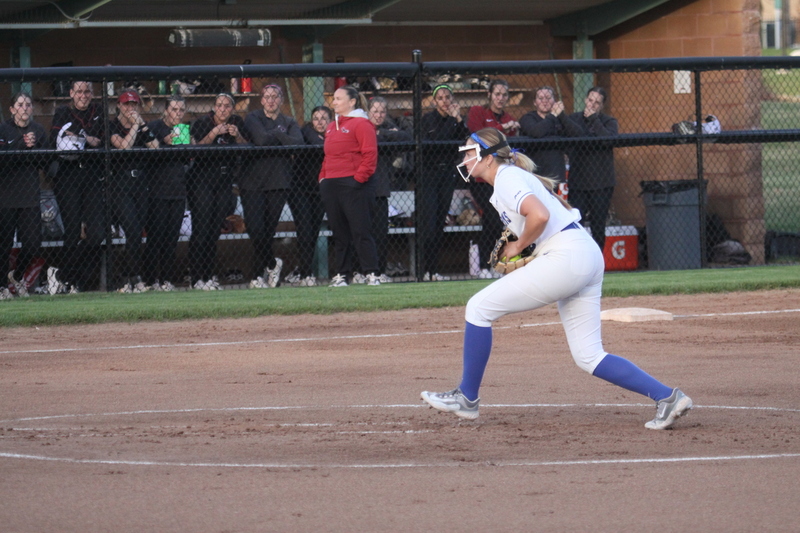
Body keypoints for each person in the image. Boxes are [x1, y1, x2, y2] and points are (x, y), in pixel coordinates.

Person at [421, 128, 693, 430]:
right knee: (588, 356)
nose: (465, 158)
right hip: (581, 253)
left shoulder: (507, 177)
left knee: (478, 308)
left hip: (567, 256)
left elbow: (540, 215)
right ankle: (667, 397)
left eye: (471, 152)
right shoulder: (509, 179)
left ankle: (466, 397)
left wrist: (519, 246)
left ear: (488, 157)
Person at [48, 80, 106, 294]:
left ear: (92, 93)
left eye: (87, 91)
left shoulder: (98, 110)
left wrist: (80, 136)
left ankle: (66, 275)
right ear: (71, 93)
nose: (83, 95)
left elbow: (102, 140)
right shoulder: (62, 111)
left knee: (97, 234)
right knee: (72, 231)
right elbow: (56, 139)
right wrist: (86, 137)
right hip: (68, 175)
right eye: (79, 91)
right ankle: (70, 281)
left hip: (91, 175)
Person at [242, 84, 303, 289]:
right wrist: (281, 137)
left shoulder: (289, 121)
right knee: (255, 229)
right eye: (267, 97)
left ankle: (256, 277)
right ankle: (272, 264)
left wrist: (275, 135)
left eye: (275, 96)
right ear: (261, 100)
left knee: (267, 231)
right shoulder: (253, 117)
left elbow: (298, 144)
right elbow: (260, 140)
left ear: (281, 99)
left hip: (279, 181)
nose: (270, 100)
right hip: (252, 182)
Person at [318, 85, 380, 287]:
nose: (334, 102)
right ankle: (342, 275)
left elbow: (370, 155)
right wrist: (323, 178)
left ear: (352, 102)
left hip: (354, 185)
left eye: (338, 98)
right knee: (339, 233)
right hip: (332, 185)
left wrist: (358, 180)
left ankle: (371, 273)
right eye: (333, 98)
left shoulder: (362, 124)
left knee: (361, 231)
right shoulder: (331, 126)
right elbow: (328, 156)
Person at [189, 92, 248, 290]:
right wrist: (214, 132)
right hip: (202, 180)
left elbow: (247, 146)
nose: (223, 109)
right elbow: (196, 148)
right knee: (202, 228)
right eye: (220, 105)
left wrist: (237, 135)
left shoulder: (237, 122)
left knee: (214, 230)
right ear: (214, 107)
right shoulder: (202, 122)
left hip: (224, 181)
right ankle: (196, 277)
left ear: (232, 109)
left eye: (227, 106)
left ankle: (208, 276)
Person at [467, 79, 518, 280]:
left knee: (499, 221)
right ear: (489, 95)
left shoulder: (509, 117)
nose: (500, 98)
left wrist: (509, 128)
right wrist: (503, 127)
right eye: (497, 94)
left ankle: (494, 264)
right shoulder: (478, 112)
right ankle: (483, 265)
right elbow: (479, 135)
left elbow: (508, 146)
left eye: (504, 95)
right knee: (490, 216)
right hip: (481, 178)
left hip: (499, 178)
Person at [109, 89, 159, 293]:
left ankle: (133, 276)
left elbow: (155, 146)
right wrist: (136, 126)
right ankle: (129, 276)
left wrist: (141, 125)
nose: (130, 108)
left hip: (140, 183)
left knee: (137, 232)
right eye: (126, 104)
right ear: (119, 106)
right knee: (131, 229)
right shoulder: (112, 125)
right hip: (121, 184)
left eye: (133, 104)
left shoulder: (142, 124)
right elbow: (124, 146)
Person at [558, 86, 618, 252]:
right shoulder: (574, 119)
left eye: (597, 103)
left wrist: (593, 119)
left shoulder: (609, 122)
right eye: (590, 100)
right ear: (585, 100)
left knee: (598, 226)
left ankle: (597, 260)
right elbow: (566, 138)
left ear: (602, 106)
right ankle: (578, 258)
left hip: (602, 183)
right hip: (579, 182)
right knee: (576, 224)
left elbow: (608, 140)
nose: (592, 105)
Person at [419, 84, 469, 281]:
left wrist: (458, 119)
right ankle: (425, 270)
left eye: (448, 97)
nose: (445, 101)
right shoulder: (428, 119)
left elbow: (466, 140)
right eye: (440, 98)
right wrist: (452, 122)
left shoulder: (457, 120)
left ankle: (434, 270)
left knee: (440, 221)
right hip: (429, 174)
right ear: (434, 101)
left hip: (447, 173)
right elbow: (438, 140)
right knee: (429, 223)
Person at [0, 92, 46, 299]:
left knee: (33, 243)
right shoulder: (3, 129)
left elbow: (45, 163)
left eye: (28, 104)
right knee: (4, 243)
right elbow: (3, 163)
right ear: (12, 109)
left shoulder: (38, 130)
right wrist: (20, 145)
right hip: (6, 196)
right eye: (20, 104)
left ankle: (16, 277)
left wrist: (34, 147)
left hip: (30, 195)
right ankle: (2, 286)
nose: (24, 108)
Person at [143, 94, 190, 291]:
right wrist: (164, 143)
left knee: (172, 238)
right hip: (156, 191)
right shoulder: (155, 127)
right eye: (174, 110)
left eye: (181, 110)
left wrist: (187, 143)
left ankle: (166, 280)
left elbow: (186, 159)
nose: (177, 114)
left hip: (178, 191)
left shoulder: (183, 129)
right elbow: (147, 157)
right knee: (156, 237)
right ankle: (150, 279)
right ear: (166, 110)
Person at [364, 96, 412, 283]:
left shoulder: (387, 128)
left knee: (381, 233)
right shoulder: (361, 127)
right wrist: (381, 135)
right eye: (375, 111)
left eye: (382, 112)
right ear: (368, 112)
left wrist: (381, 134)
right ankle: (362, 271)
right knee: (363, 232)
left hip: (381, 188)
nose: (378, 115)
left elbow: (405, 137)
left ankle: (380, 271)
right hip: (362, 188)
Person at [285, 106, 332, 287]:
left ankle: (303, 269)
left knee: (313, 231)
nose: (320, 122)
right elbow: (315, 141)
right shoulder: (305, 131)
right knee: (304, 228)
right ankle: (306, 274)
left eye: (324, 118)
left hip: (320, 189)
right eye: (316, 118)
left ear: (330, 120)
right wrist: (327, 143)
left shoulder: (333, 134)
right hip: (299, 189)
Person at [518, 86, 567, 183]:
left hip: (556, 172)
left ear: (554, 101)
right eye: (540, 98)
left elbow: (576, 132)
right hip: (535, 172)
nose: (545, 101)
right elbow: (536, 132)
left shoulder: (559, 119)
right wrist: (553, 115)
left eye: (548, 98)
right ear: (534, 102)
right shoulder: (528, 118)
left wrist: (561, 115)